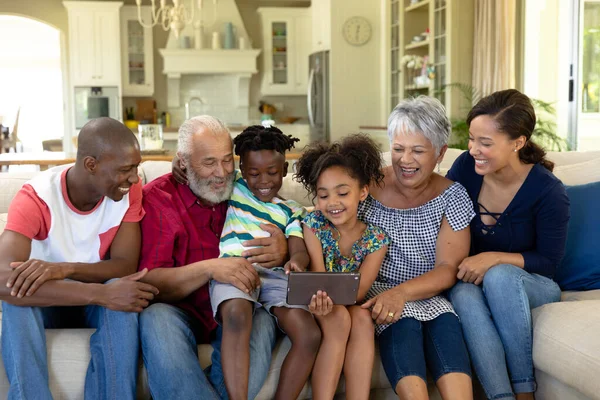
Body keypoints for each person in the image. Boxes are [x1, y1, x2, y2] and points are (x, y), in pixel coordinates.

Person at [0, 117, 159, 400]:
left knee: (121, 293)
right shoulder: (36, 198)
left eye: (136, 167)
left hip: (81, 296)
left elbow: (124, 265)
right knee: (17, 299)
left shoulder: (128, 192)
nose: (136, 178)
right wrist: (99, 293)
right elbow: (2, 280)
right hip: (46, 299)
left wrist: (62, 269)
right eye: (125, 169)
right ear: (90, 165)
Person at [138, 116, 289, 400]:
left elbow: (297, 220)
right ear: (183, 162)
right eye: (209, 163)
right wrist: (210, 269)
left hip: (241, 306)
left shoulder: (246, 189)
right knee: (154, 317)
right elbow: (149, 282)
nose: (221, 173)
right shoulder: (159, 199)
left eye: (226, 160)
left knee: (264, 320)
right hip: (179, 309)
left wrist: (286, 248)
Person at [447, 89, 570, 400]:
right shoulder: (465, 168)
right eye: (472, 139)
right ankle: (500, 397)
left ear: (518, 142)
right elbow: (437, 203)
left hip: (533, 285)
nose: (473, 149)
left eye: (485, 143)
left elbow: (548, 263)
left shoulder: (548, 191)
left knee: (500, 275)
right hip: (474, 284)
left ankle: (524, 391)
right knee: (462, 292)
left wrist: (492, 258)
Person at [358, 97, 474, 400]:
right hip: (379, 291)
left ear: (440, 153)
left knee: (446, 330)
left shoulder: (453, 196)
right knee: (402, 325)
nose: (405, 160)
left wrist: (403, 293)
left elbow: (448, 268)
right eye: (398, 149)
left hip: (430, 293)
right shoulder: (365, 186)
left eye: (418, 151)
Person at [208, 125, 321, 400]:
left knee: (309, 334)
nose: (263, 181)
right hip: (236, 269)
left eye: (272, 172)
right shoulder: (233, 186)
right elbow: (204, 170)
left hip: (274, 277)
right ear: (242, 170)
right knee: (236, 314)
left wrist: (296, 261)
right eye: (253, 173)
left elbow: (298, 247)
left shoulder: (292, 210)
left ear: (284, 170)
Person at [294, 134, 390, 400]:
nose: (332, 203)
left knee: (361, 318)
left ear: (362, 192)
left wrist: (340, 300)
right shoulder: (314, 225)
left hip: (349, 301)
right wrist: (323, 303)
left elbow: (359, 293)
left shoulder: (376, 239)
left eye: (342, 193)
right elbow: (317, 279)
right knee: (339, 317)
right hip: (318, 302)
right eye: (323, 195)